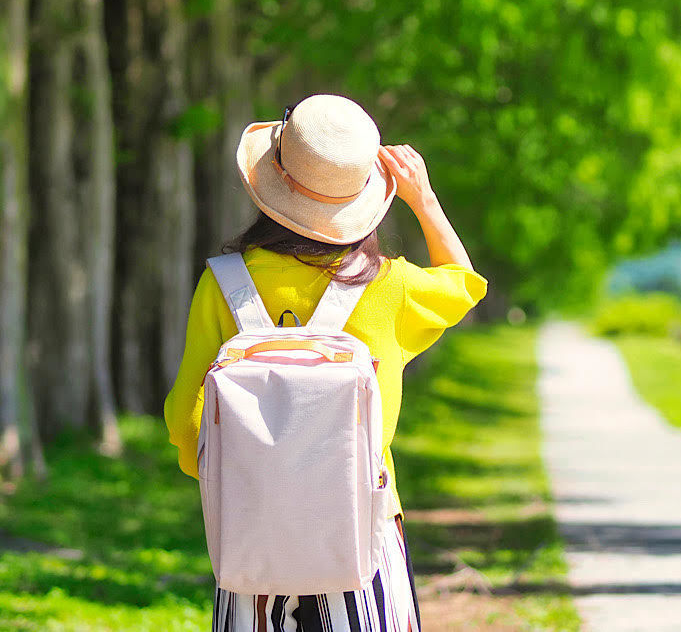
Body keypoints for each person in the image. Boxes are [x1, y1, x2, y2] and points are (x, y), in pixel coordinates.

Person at [164, 94, 486, 631]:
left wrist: (258, 477)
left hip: (253, 542)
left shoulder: (223, 284)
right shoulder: (391, 287)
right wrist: (424, 199)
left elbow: (187, 421)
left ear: (273, 177)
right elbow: (465, 284)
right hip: (364, 536)